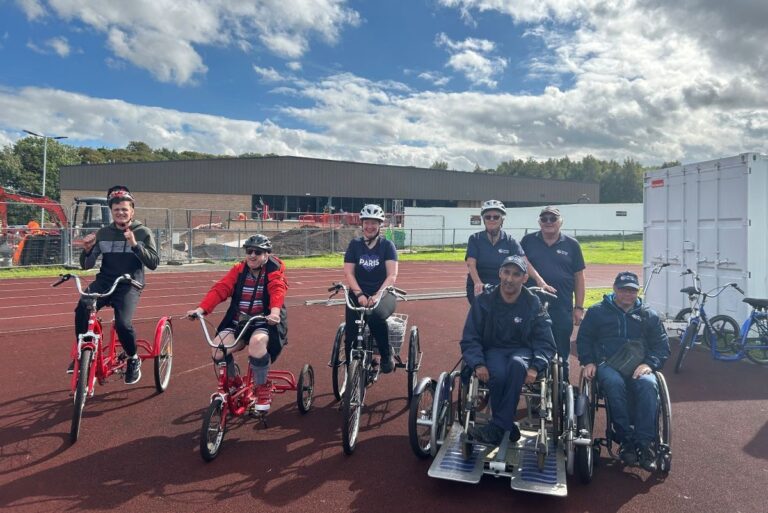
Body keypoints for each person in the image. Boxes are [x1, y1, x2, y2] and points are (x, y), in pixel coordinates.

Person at [576, 271, 670, 471]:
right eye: (623, 289)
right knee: (613, 383)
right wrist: (589, 361)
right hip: (608, 364)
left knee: (649, 384)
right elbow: (584, 339)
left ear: (637, 292)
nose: (628, 294)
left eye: (632, 290)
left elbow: (661, 346)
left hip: (638, 366)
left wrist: (649, 364)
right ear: (614, 289)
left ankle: (644, 445)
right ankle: (625, 440)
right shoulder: (597, 312)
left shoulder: (648, 315)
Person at [460, 255, 557, 445]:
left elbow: (545, 341)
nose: (509, 279)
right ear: (499, 274)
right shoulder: (484, 301)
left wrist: (536, 367)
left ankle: (497, 427)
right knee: (498, 372)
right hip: (494, 350)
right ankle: (506, 425)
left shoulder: (533, 303)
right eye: (506, 272)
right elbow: (470, 336)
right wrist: (478, 363)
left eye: (516, 274)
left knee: (517, 365)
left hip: (523, 352)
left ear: (524, 278)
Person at [186, 234, 287, 412]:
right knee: (217, 350)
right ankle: (234, 381)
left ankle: (262, 388)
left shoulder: (273, 269)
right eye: (249, 251)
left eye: (258, 252)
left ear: (266, 255)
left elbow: (277, 289)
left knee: (256, 344)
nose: (252, 255)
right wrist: (200, 310)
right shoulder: (239, 270)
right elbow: (221, 289)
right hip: (238, 322)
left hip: (263, 322)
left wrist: (275, 313)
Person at [71, 185, 159, 384]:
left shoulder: (143, 232)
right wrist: (86, 250)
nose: (120, 213)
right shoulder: (103, 233)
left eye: (124, 209)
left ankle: (133, 358)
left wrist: (135, 245)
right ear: (112, 212)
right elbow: (87, 265)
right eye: (116, 209)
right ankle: (81, 352)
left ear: (132, 211)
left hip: (130, 283)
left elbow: (153, 263)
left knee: (122, 323)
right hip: (105, 281)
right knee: (82, 307)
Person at [521, 206, 585, 380]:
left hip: (561, 306)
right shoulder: (527, 241)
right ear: (539, 222)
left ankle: (562, 387)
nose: (548, 222)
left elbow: (579, 277)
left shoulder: (572, 244)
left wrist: (578, 307)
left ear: (560, 222)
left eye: (553, 218)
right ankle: (536, 385)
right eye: (544, 219)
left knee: (561, 349)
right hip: (531, 305)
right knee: (532, 344)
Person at [343, 204, 398, 373]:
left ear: (380, 225)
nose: (370, 226)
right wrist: (359, 294)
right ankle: (350, 369)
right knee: (351, 330)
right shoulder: (354, 245)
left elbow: (391, 276)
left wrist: (378, 295)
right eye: (367, 222)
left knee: (374, 317)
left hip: (383, 293)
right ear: (362, 224)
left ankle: (386, 355)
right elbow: (349, 273)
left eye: (374, 222)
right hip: (358, 292)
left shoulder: (387, 246)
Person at [465, 199, 549, 304]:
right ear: (483, 219)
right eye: (488, 217)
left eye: (496, 217)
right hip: (479, 286)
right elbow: (471, 264)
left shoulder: (510, 241)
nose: (492, 219)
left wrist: (540, 281)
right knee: (480, 316)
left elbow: (525, 262)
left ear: (502, 220)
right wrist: (478, 282)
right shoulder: (475, 239)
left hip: (501, 287)